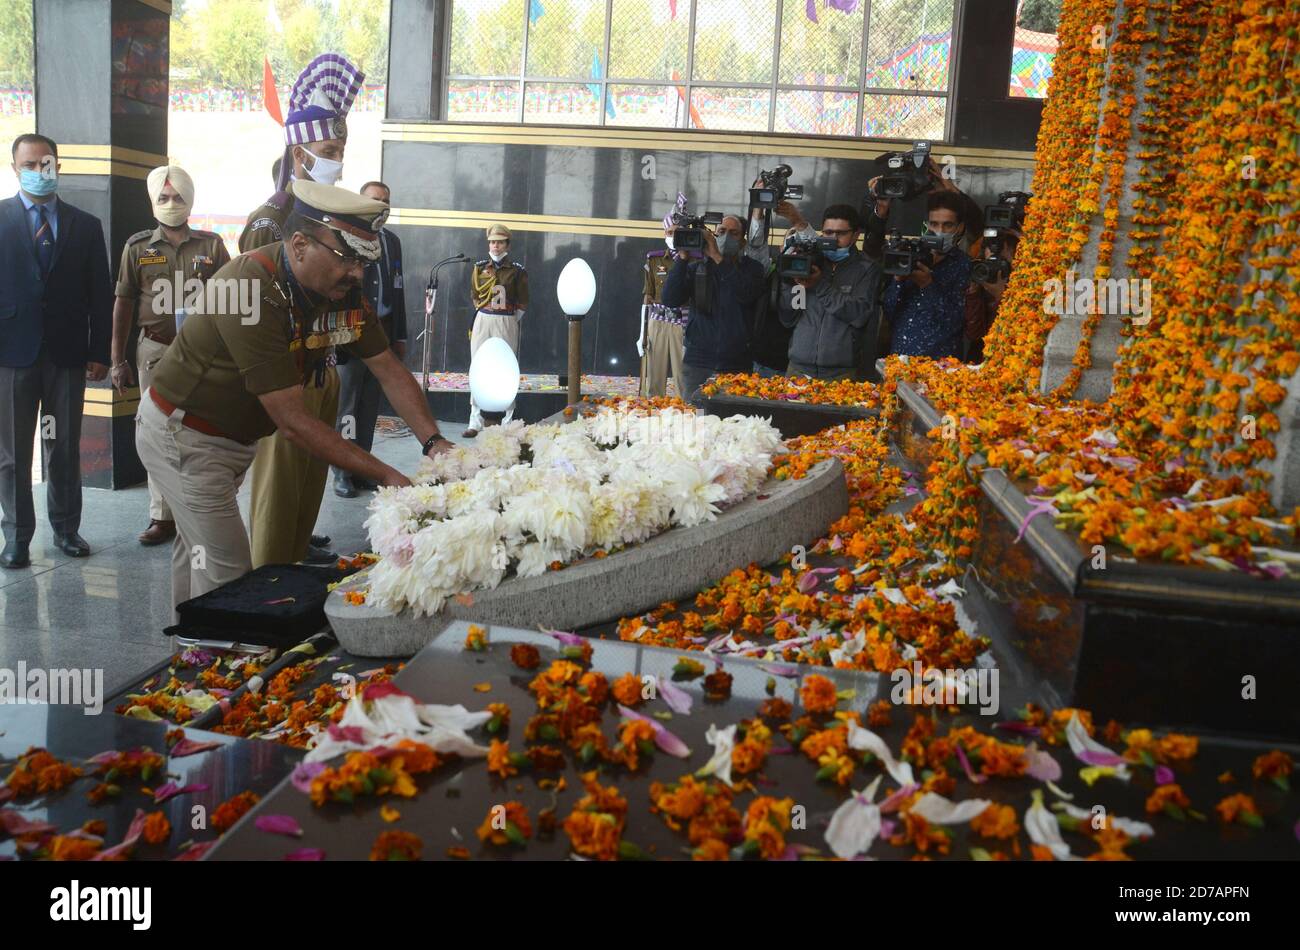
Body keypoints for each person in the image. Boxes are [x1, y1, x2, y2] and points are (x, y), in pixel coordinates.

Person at [134, 182, 453, 615]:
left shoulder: (339, 292)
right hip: (184, 436)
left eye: (364, 260)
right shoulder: (248, 287)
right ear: (299, 245)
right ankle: (222, 668)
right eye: (348, 258)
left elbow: (388, 368)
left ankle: (190, 660)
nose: (358, 273)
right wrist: (390, 477)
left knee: (198, 553)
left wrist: (436, 444)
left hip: (230, 439)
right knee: (227, 572)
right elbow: (292, 421)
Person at [240, 52, 365, 567]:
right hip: (285, 379)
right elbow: (251, 308)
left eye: (340, 150)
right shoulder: (271, 221)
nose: (338, 160)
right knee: (276, 505)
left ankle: (287, 587)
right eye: (328, 149)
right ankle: (260, 607)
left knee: (304, 501)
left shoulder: (327, 213)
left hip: (323, 369)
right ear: (298, 156)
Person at [0, 134, 111, 568]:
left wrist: (99, 348)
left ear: (58, 166)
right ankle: (16, 538)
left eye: (46, 163)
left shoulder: (85, 226)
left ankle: (66, 529)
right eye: (30, 163)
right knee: (12, 453)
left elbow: (100, 295)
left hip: (66, 354)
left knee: (63, 446)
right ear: (15, 168)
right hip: (12, 353)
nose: (39, 170)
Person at [110, 165, 230, 545]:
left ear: (189, 201)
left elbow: (230, 302)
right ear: (152, 202)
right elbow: (124, 303)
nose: (170, 204)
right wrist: (117, 359)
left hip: (202, 351)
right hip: (155, 350)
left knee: (199, 427)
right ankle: (161, 516)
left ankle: (197, 507)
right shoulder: (137, 247)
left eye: (177, 197)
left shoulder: (212, 246)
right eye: (163, 198)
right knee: (155, 430)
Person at [333, 180, 407, 497]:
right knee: (347, 408)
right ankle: (342, 472)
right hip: (351, 335)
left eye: (385, 203)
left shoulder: (392, 241)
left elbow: (399, 289)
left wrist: (400, 335)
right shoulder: (344, 238)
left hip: (383, 335)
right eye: (374, 201)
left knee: (368, 408)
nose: (381, 207)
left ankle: (363, 468)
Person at [661, 215, 766, 408]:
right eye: (721, 232)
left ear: (743, 241)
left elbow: (745, 294)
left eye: (733, 233)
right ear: (714, 235)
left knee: (733, 419)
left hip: (736, 362)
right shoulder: (698, 267)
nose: (726, 237)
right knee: (693, 417)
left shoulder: (753, 269)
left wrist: (717, 257)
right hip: (697, 360)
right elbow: (670, 299)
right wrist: (683, 259)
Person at [777, 203, 881, 380]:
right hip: (798, 368)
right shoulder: (810, 262)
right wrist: (791, 281)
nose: (833, 238)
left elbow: (859, 314)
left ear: (855, 235)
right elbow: (789, 317)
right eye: (828, 233)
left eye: (840, 234)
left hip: (841, 373)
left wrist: (819, 285)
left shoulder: (866, 268)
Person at [883, 191, 972, 359]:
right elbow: (889, 311)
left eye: (947, 225)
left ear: (959, 227)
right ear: (926, 225)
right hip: (900, 360)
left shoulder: (964, 265)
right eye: (934, 224)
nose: (940, 231)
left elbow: (956, 322)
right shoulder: (907, 255)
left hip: (942, 366)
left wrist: (928, 285)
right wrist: (898, 281)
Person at [465, 223, 528, 437]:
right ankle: (475, 420)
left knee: (506, 368)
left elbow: (522, 302)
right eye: (492, 242)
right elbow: (475, 295)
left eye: (500, 242)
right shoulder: (479, 267)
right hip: (484, 318)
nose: (495, 246)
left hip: (506, 319)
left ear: (507, 244)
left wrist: (508, 319)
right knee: (477, 367)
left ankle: (508, 421)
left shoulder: (517, 270)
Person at [964, 229, 1020, 363]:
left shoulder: (1026, 288)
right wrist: (974, 293)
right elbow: (974, 334)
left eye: (1003, 263)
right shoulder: (983, 282)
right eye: (991, 262)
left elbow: (1017, 334)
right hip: (981, 360)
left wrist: (1002, 297)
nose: (997, 270)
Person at [639, 246, 688, 398]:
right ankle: (654, 412)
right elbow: (648, 295)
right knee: (654, 372)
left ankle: (685, 412)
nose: (671, 237)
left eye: (675, 232)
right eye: (668, 232)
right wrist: (642, 332)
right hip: (657, 320)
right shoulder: (654, 259)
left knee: (683, 375)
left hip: (681, 321)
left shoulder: (695, 259)